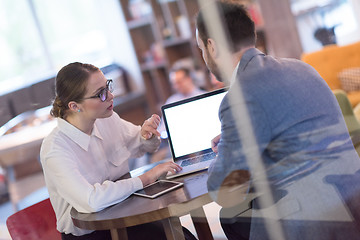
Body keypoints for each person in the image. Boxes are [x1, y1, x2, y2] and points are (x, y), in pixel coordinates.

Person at [196, 1, 360, 240]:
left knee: (230, 213)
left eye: (200, 48)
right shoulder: (303, 68)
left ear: (212, 46)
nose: (203, 56)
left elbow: (227, 192)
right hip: (352, 199)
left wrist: (222, 153)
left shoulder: (239, 97)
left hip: (313, 221)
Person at [40, 62, 197, 240]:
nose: (110, 95)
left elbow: (141, 147)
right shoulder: (55, 149)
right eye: (100, 93)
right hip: (92, 234)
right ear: (75, 106)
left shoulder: (107, 119)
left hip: (128, 216)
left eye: (107, 86)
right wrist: (146, 178)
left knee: (181, 236)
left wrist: (147, 135)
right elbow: (93, 201)